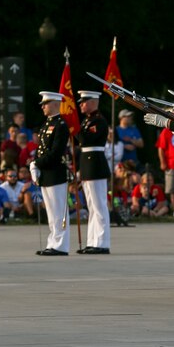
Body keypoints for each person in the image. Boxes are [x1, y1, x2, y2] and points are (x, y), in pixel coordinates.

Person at [32, 91, 71, 255]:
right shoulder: (46, 125)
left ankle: (61, 245)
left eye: (45, 104)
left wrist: (36, 163)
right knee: (51, 211)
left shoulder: (61, 125)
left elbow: (55, 152)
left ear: (55, 104)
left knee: (58, 210)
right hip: (46, 172)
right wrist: (35, 163)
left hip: (55, 172)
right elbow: (40, 149)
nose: (42, 107)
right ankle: (53, 242)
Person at [75, 90, 112, 254]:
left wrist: (73, 127)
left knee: (99, 206)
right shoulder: (86, 121)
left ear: (92, 102)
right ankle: (93, 240)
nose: (81, 105)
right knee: (91, 205)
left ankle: (102, 242)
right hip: (87, 166)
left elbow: (85, 139)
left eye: (84, 102)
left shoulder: (99, 121)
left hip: (95, 166)